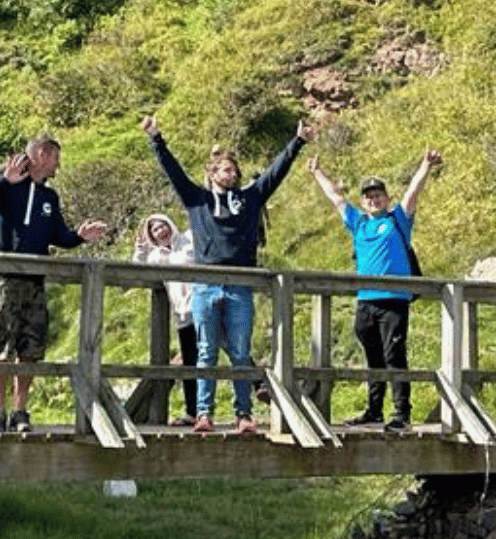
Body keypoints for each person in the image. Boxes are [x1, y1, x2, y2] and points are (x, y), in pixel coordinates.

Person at [140, 115, 312, 434]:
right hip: (205, 284)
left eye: (234, 170)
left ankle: (243, 415)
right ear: (212, 174)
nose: (230, 174)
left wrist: (297, 142)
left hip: (240, 284)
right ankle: (203, 413)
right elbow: (173, 172)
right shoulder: (198, 200)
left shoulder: (250, 198)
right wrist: (156, 138)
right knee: (206, 351)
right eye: (224, 170)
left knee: (240, 351)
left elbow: (276, 173)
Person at [0, 135, 109, 434]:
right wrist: (4, 181)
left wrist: (80, 236)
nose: (59, 164)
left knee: (30, 347)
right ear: (43, 154)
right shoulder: (5, 177)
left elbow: (57, 235)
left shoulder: (49, 197)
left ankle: (20, 410)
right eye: (56, 157)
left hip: (34, 279)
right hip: (3, 276)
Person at [307, 148, 442, 433]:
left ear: (386, 198)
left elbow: (413, 193)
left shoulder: (397, 220)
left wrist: (425, 166)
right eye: (368, 196)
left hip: (394, 300)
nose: (373, 199)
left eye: (378, 195)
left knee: (395, 356)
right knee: (373, 358)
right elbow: (336, 199)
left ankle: (401, 413)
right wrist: (317, 172)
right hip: (365, 301)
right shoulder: (358, 224)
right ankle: (374, 410)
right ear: (364, 202)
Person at [133, 213, 198, 425]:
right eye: (155, 230)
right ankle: (194, 412)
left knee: (229, 346)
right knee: (190, 364)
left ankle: (258, 387)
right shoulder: (156, 256)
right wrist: (140, 250)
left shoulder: (189, 239)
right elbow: (137, 270)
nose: (161, 231)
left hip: (204, 307)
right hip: (182, 314)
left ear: (171, 225)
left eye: (163, 226)